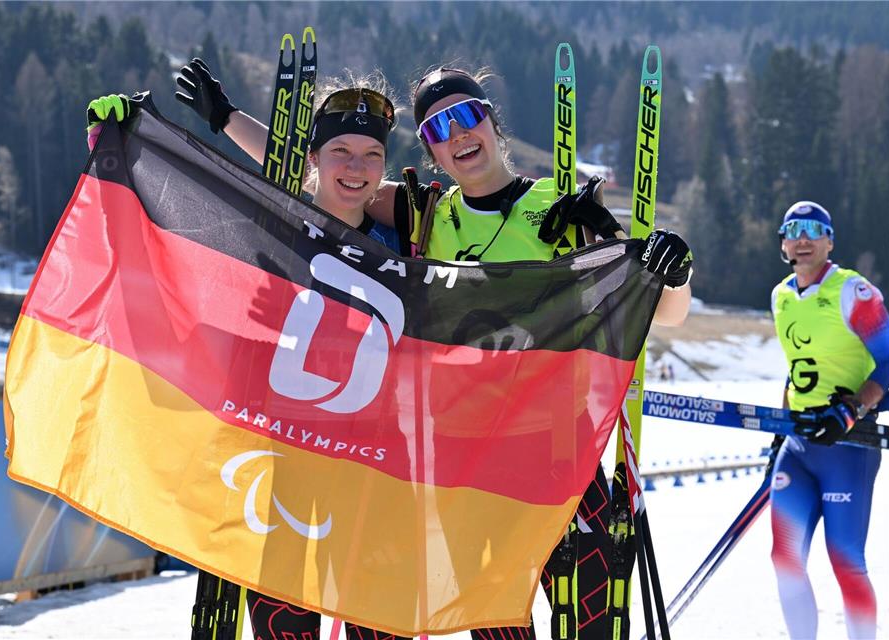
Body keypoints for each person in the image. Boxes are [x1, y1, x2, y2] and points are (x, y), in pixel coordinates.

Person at [174, 60, 693, 640]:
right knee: (500, 626)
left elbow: (663, 312)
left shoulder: (562, 206)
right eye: (437, 130)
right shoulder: (426, 213)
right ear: (430, 153)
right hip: (469, 462)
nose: (458, 135)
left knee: (594, 627)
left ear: (494, 125)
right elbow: (333, 174)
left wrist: (667, 268)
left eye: (468, 116)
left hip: (557, 450)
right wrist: (226, 120)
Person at [88, 69, 409, 640]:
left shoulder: (407, 235)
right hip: (279, 461)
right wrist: (116, 143)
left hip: (371, 470)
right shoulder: (270, 225)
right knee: (284, 626)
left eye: (371, 154)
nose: (356, 168)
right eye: (340, 151)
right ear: (313, 158)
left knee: (377, 629)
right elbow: (170, 219)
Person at [770, 200, 889, 640]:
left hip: (850, 445)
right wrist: (777, 435)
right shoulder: (781, 297)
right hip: (799, 447)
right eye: (793, 230)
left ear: (829, 241)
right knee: (784, 557)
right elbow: (798, 367)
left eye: (813, 230)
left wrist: (853, 407)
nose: (802, 239)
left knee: (845, 561)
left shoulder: (852, 291)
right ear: (783, 243)